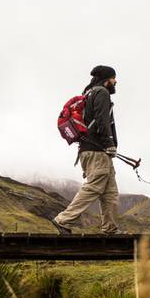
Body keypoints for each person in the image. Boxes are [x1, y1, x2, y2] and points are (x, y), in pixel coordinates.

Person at [52, 65, 121, 235]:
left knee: (110, 192)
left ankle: (110, 228)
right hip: (97, 149)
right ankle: (63, 220)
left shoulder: (89, 93)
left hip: (93, 150)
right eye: (113, 78)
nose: (115, 81)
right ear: (107, 79)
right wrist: (109, 143)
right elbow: (102, 120)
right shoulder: (101, 92)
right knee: (94, 187)